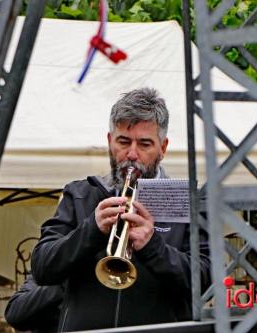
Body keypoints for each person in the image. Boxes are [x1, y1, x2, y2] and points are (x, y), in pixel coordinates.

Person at [31, 87, 211, 331]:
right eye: (123, 142)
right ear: (109, 141)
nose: (132, 154)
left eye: (145, 144)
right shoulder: (80, 194)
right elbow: (42, 268)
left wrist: (153, 247)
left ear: (163, 147)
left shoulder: (186, 200)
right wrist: (90, 230)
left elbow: (207, 280)